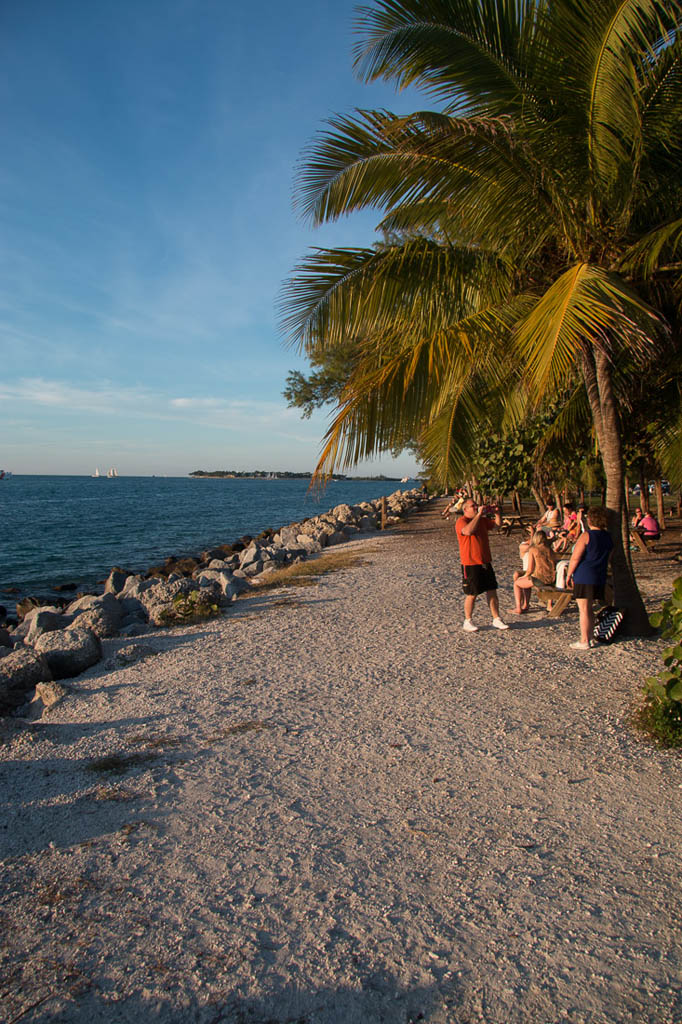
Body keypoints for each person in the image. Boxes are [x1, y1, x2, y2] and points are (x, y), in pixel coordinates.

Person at [455, 498, 509, 632]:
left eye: (476, 506)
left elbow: (497, 525)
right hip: (470, 562)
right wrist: (479, 515)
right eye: (473, 506)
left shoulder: (482, 520)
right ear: (465, 509)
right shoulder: (462, 521)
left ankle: (496, 618)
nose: (476, 507)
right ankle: (467, 620)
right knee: (472, 593)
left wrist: (497, 513)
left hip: (485, 561)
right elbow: (467, 531)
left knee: (492, 589)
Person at [566, 506, 613, 650]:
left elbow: (575, 558)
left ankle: (584, 640)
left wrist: (568, 575)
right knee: (589, 608)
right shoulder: (608, 536)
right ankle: (590, 637)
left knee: (584, 609)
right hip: (599, 574)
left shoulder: (587, 535)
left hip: (585, 574)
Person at [512, 530, 556, 613]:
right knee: (526, 579)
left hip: (540, 579)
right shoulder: (549, 548)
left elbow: (530, 569)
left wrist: (523, 577)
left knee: (516, 583)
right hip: (552, 578)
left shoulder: (533, 549)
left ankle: (518, 608)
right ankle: (548, 605)